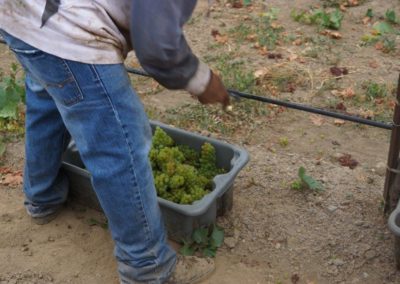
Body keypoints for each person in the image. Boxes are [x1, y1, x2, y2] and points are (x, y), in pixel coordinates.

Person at [0, 0, 230, 283]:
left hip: (22, 16)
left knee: (48, 99)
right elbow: (157, 47)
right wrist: (201, 81)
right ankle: (147, 268)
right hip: (70, 30)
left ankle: (42, 197)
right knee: (119, 146)